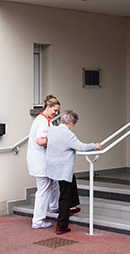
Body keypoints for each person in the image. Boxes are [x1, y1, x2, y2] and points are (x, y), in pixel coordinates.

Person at [45, 110, 101, 235]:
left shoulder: (52, 130)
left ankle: (73, 205)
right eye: (73, 125)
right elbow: (80, 146)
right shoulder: (68, 134)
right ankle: (61, 226)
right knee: (64, 196)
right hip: (62, 169)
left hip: (52, 167)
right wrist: (94, 145)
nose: (72, 127)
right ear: (70, 123)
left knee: (72, 180)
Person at [27, 95, 60, 229]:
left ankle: (54, 206)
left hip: (39, 160)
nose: (56, 113)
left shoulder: (41, 119)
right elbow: (41, 141)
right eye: (55, 110)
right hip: (41, 162)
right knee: (43, 190)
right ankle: (38, 220)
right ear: (48, 107)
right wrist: (55, 140)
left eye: (57, 111)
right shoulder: (44, 121)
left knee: (54, 183)